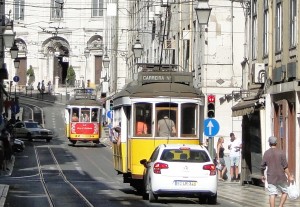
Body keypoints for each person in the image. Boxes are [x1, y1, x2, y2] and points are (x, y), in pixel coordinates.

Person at [261, 136, 294, 207]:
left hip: (271, 176)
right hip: (281, 176)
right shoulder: (281, 153)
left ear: (269, 143)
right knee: (285, 192)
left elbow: (262, 166)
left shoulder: (266, 153)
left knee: (272, 194)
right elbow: (285, 166)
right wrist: (289, 176)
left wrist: (262, 175)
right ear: (276, 143)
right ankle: (280, 205)